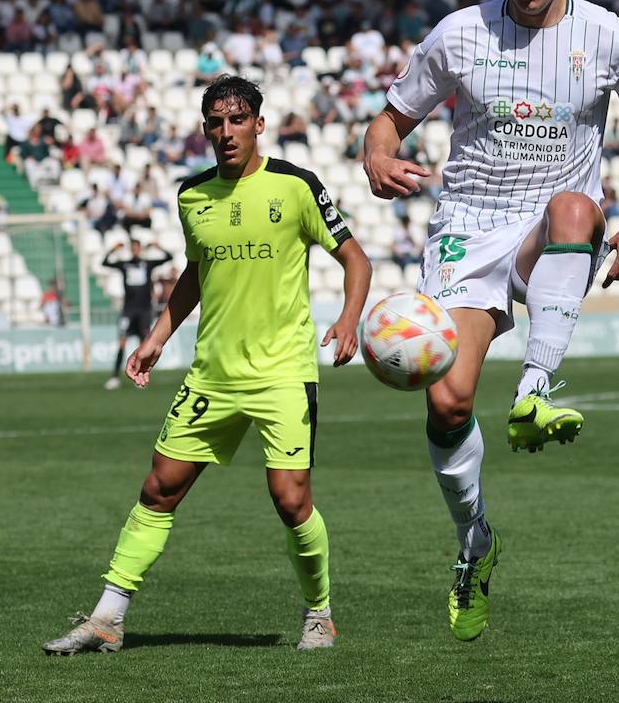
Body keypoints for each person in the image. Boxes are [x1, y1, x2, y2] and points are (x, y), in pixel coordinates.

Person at [362, 0, 619, 642]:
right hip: (469, 226)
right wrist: (376, 154)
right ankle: (475, 540)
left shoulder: (611, 37)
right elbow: (392, 119)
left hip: (549, 223)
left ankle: (536, 389)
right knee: (447, 403)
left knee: (573, 206)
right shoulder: (461, 35)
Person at [42, 75, 372, 655]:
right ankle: (107, 619)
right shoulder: (192, 196)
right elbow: (196, 273)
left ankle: (319, 613)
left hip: (283, 373)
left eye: (237, 120)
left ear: (258, 124)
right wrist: (157, 337)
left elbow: (355, 259)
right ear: (204, 129)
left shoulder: (297, 187)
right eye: (215, 122)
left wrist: (349, 320)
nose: (226, 132)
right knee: (158, 488)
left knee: (291, 499)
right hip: (213, 374)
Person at [101, 240, 173, 390]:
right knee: (122, 343)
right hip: (128, 310)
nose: (135, 250)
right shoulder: (125, 265)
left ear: (140, 249)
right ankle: (115, 377)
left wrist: (157, 246)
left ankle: (140, 377)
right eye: (132, 248)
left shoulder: (148, 264)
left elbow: (169, 257)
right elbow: (105, 263)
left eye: (136, 248)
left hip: (144, 311)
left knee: (144, 344)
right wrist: (113, 248)